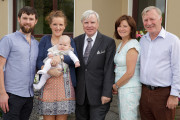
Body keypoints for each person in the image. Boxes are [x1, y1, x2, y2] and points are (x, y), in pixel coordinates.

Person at [74, 10, 116, 120]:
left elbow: (109, 69)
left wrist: (107, 93)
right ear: (82, 24)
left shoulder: (108, 42)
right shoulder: (75, 41)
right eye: (86, 22)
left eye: (92, 22)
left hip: (99, 95)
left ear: (97, 23)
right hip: (80, 96)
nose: (89, 25)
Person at [139, 6, 180, 120]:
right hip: (144, 92)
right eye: (146, 20)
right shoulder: (143, 40)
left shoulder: (173, 41)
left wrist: (174, 95)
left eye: (152, 19)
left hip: (163, 94)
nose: (149, 23)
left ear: (160, 19)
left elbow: (178, 69)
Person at [36, 10, 77, 120]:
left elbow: (74, 60)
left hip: (65, 87)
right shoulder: (45, 40)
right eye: (55, 24)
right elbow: (39, 60)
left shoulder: (69, 40)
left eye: (60, 24)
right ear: (50, 25)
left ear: (64, 26)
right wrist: (48, 70)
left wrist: (61, 57)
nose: (57, 27)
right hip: (47, 85)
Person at [0, 6, 39, 120]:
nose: (28, 22)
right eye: (25, 18)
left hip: (29, 96)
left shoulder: (36, 44)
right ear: (19, 19)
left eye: (31, 19)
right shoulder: (8, 40)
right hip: (12, 95)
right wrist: (2, 93)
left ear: (35, 21)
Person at [112, 15, 141, 120]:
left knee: (128, 117)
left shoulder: (132, 45)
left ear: (131, 28)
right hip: (123, 87)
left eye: (125, 26)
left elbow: (130, 73)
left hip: (130, 89)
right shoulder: (122, 44)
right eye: (119, 26)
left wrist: (116, 86)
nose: (121, 29)